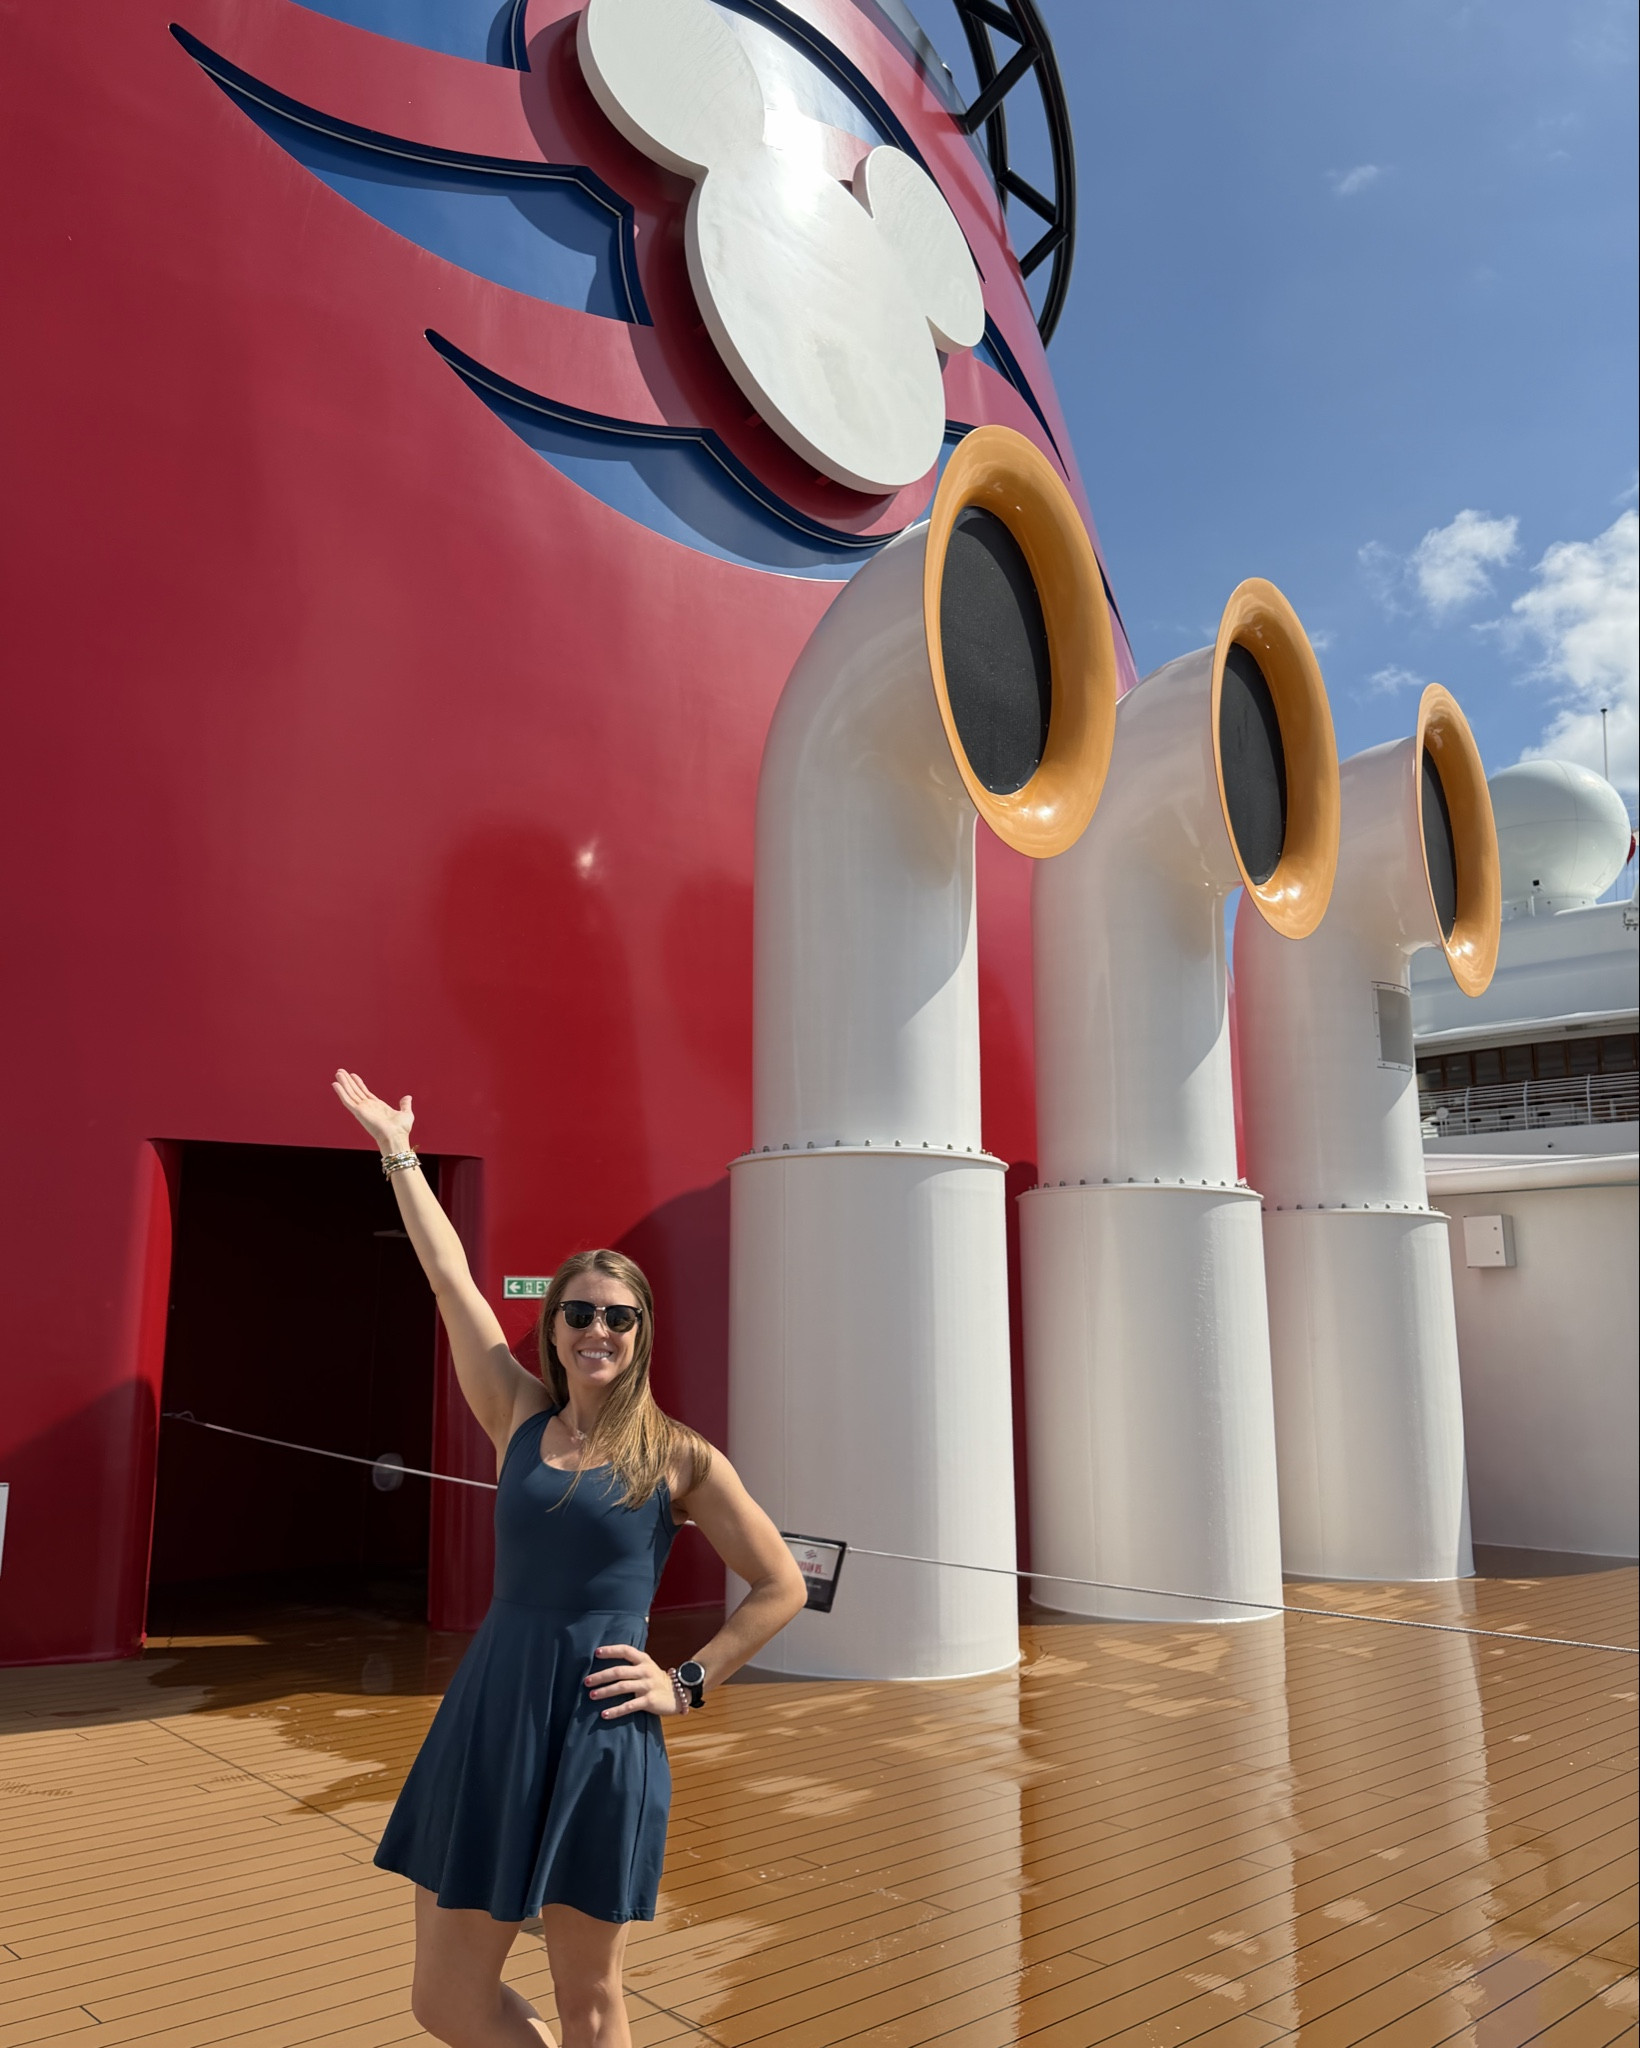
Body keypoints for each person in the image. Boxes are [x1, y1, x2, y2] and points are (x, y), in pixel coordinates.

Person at [332, 1070, 807, 2048]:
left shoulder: (680, 1454)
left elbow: (780, 1583)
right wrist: (398, 1150)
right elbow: (449, 1279)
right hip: (493, 1710)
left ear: (639, 1336)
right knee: (443, 1998)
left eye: (618, 1316)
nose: (598, 1328)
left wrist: (685, 1680)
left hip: (599, 1725)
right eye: (580, 1312)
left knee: (592, 2001)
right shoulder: (514, 1413)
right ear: (552, 1328)